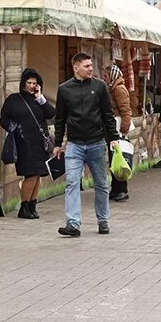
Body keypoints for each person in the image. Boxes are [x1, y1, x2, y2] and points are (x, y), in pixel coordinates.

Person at [53, 53, 119, 236]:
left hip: (96, 142)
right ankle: (73, 224)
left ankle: (103, 220)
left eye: (91, 66)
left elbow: (108, 115)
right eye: (87, 66)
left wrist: (113, 137)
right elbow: (60, 119)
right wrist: (58, 143)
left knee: (101, 183)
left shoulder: (100, 87)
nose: (91, 69)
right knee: (72, 182)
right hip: (74, 144)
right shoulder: (64, 89)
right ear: (76, 68)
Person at [0, 68, 56, 219]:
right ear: (23, 83)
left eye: (34, 83)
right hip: (24, 143)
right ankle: (24, 207)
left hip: (40, 144)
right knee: (30, 175)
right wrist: (15, 128)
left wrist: (41, 98)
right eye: (29, 83)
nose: (32, 86)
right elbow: (4, 119)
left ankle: (32, 205)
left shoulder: (39, 100)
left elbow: (51, 114)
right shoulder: (13, 99)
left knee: (38, 175)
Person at [103, 64, 132, 201]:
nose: (105, 78)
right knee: (114, 158)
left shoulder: (119, 89)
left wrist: (124, 130)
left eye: (106, 76)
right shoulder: (113, 88)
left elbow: (125, 110)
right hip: (114, 126)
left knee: (120, 158)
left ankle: (122, 188)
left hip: (119, 127)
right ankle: (116, 188)